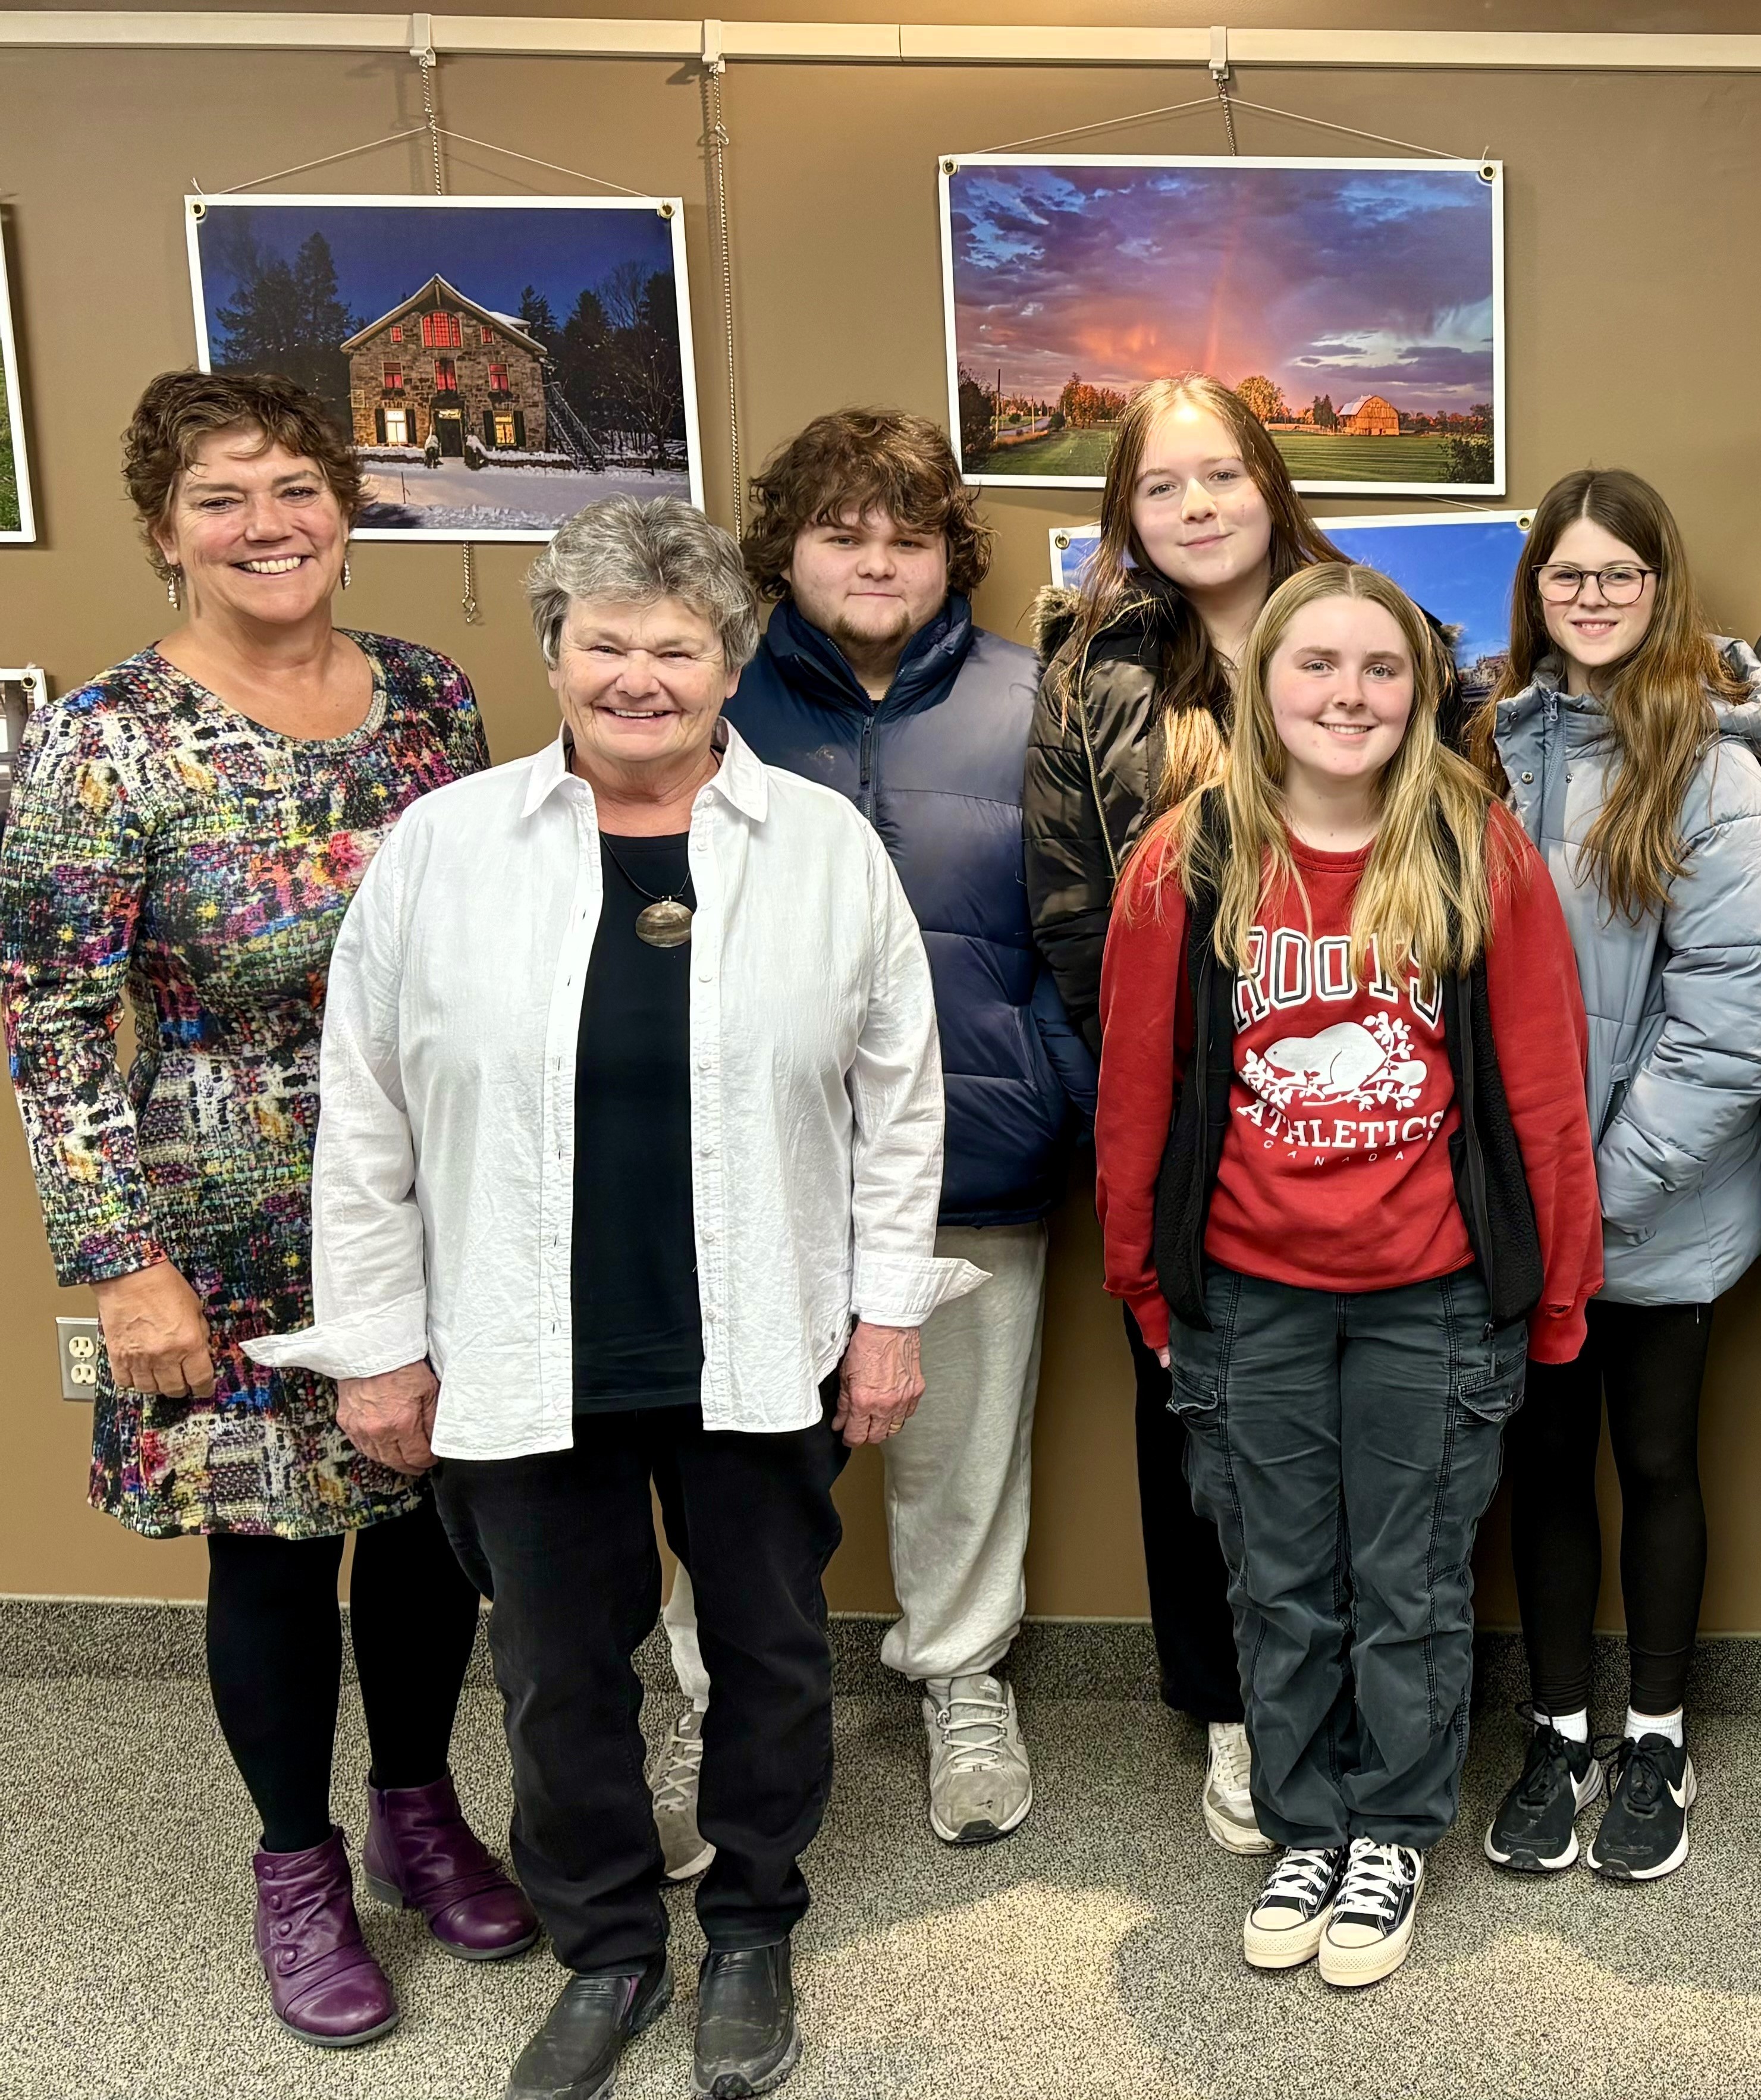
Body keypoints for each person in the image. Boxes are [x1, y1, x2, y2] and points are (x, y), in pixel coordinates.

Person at [247, 498, 982, 2100]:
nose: (639, 674)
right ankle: (605, 1949)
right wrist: (375, 1350)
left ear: (728, 663)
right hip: (524, 1339)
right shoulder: (445, 851)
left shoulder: (820, 852)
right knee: (560, 1663)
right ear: (556, 650)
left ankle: (750, 1922)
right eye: (606, 641)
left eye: (678, 644)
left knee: (772, 1648)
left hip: (761, 1331)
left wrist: (887, 1315)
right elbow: (362, 1112)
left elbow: (898, 1099)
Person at [0, 371, 528, 2049]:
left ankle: (419, 1807)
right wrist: (121, 1266)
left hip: (434, 1177)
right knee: (278, 1544)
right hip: (224, 1198)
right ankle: (297, 1868)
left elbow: (500, 942)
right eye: (222, 496)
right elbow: (49, 1015)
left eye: (296, 486)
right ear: (167, 528)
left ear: (346, 505)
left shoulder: (434, 701)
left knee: (435, 1516)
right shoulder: (106, 743)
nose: (268, 523)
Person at [1096, 560, 1599, 1989]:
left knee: (1412, 1578)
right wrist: (1146, 1287)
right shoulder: (1187, 861)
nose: (1349, 696)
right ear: (1263, 687)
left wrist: (1555, 1295)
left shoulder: (1474, 847)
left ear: (1422, 689)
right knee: (1279, 1577)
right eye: (1315, 665)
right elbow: (1136, 1099)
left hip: (1431, 1294)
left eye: (1381, 669)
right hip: (1245, 1294)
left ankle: (1392, 1824)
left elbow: (1547, 1092)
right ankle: (1306, 1820)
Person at [640, 408, 1094, 1867]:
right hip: (751, 1172)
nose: (876, 561)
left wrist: (1047, 1083)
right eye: (843, 533)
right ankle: (708, 1701)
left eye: (907, 536)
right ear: (787, 551)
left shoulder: (1038, 700)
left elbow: (1086, 932)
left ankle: (962, 1679)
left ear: (952, 553)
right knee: (741, 1458)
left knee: (957, 1451)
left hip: (979, 1149)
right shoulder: (707, 701)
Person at [1022, 373, 1366, 1854]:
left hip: (1364, 1110)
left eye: (1220, 475)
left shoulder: (1372, 634)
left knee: (1368, 1416)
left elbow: (1443, 856)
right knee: (1196, 1422)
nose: (1199, 508)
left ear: (1271, 484)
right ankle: (1232, 1712)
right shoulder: (1093, 676)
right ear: (1127, 516)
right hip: (1175, 1119)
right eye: (1162, 488)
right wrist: (1168, 1082)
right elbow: (1064, 908)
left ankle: (1365, 1697)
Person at [1468, 469, 1761, 1881]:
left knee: (1655, 1459)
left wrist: (1594, 1201)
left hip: (1652, 1202)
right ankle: (1557, 1727)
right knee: (1540, 1471)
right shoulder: (1477, 747)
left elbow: (1731, 1015)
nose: (1590, 599)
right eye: (1564, 576)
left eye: (1618, 574)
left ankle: (1654, 1734)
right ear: (1533, 592)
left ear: (1662, 588)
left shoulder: (1709, 766)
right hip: (1507, 1208)